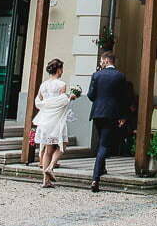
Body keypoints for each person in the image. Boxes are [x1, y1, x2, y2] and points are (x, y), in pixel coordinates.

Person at [86, 51, 127, 193]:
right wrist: (123, 116)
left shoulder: (96, 75)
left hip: (97, 113)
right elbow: (123, 98)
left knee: (101, 142)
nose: (100, 63)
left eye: (101, 61)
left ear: (106, 61)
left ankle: (101, 169)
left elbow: (91, 95)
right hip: (112, 113)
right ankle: (95, 178)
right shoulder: (120, 76)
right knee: (104, 144)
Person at [32, 58, 77, 188]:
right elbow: (62, 101)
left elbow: (39, 102)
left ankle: (45, 181)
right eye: (61, 69)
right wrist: (71, 97)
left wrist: (47, 105)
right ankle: (51, 167)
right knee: (63, 145)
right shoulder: (61, 85)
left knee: (47, 149)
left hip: (45, 119)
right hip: (57, 119)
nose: (62, 71)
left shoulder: (43, 85)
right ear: (58, 70)